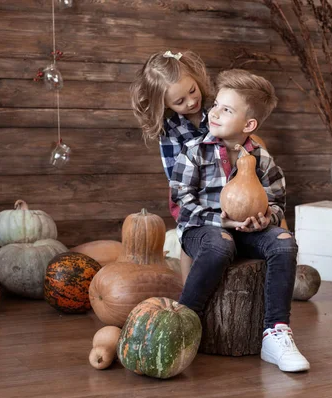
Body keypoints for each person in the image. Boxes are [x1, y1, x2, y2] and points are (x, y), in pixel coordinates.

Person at [170, 69, 310, 372]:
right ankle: (184, 321)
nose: (214, 113)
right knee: (220, 246)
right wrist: (223, 223)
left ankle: (275, 332)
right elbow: (183, 202)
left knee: (285, 243)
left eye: (227, 109)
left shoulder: (261, 157)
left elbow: (276, 201)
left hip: (247, 231)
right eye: (216, 104)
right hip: (202, 229)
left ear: (249, 124)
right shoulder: (194, 152)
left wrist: (264, 219)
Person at [130, 49, 212, 281]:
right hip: (188, 188)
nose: (192, 101)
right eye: (180, 101)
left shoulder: (215, 109)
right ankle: (188, 290)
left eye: (192, 91)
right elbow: (176, 173)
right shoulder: (170, 128)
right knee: (190, 232)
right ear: (165, 104)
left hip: (224, 183)